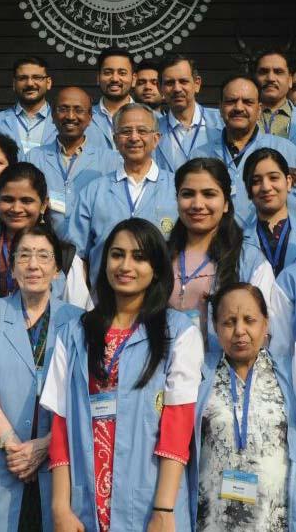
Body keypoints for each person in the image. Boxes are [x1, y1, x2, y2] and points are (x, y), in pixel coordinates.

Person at [41, 218, 203, 532]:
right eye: (117, 255)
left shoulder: (178, 333)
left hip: (150, 501)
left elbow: (178, 424)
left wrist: (163, 509)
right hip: (85, 503)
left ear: (156, 268)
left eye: (139, 257)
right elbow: (60, 421)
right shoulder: (74, 333)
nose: (125, 265)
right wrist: (60, 507)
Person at [0, 225, 84, 532]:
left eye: (43, 256)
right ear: (13, 265)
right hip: (2, 460)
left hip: (56, 463)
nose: (33, 265)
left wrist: (45, 445)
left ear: (57, 269)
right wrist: (14, 446)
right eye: (24, 255)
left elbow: (82, 397)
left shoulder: (77, 321)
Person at [191, 283, 296, 530]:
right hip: (212, 522)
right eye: (229, 322)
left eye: (249, 320)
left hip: (271, 522)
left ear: (266, 324)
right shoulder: (199, 374)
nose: (240, 330)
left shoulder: (287, 374)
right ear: (215, 327)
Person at [166, 157, 287, 354]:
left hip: (223, 371)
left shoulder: (249, 261)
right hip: (165, 368)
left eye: (209, 194)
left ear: (226, 204)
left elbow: (265, 336)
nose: (197, 204)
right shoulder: (159, 256)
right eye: (188, 194)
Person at [67, 103, 178, 286]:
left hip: (161, 297)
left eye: (142, 131)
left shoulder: (176, 188)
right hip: (104, 297)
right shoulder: (94, 191)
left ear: (156, 138)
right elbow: (77, 255)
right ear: (115, 140)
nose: (134, 137)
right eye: (126, 131)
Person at [0, 162, 91, 309]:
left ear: (43, 205)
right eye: (8, 199)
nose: (16, 208)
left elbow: (77, 314)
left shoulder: (65, 258)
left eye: (26, 201)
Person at [192, 75, 296, 226]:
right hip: (217, 239)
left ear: (259, 109)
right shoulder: (200, 155)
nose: (239, 108)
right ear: (220, 107)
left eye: (247, 102)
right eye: (231, 101)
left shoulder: (286, 150)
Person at [27, 87, 122, 237]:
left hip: (92, 246)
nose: (70, 116)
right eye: (63, 109)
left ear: (90, 117)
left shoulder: (111, 161)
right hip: (44, 244)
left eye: (78, 110)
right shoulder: (33, 158)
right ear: (52, 115)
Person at [154, 55, 222, 173]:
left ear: (197, 84)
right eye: (170, 83)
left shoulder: (222, 122)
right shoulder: (153, 130)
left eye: (183, 81)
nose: (177, 89)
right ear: (160, 88)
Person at [242, 148, 296, 277]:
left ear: (288, 182)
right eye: (256, 181)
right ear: (248, 190)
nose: (266, 187)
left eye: (273, 178)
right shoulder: (235, 244)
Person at [0, 56, 56, 154]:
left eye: (37, 77)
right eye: (22, 78)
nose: (30, 83)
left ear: (48, 83)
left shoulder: (62, 122)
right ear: (14, 84)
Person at [88, 47, 135, 150]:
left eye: (122, 73)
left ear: (134, 79)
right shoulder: (84, 118)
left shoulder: (153, 118)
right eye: (108, 72)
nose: (114, 79)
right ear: (98, 78)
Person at [254, 50, 295, 140]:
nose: (270, 78)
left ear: (290, 80)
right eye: (263, 72)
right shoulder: (236, 117)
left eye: (278, 72)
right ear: (254, 78)